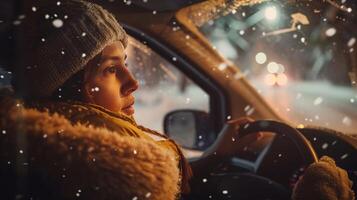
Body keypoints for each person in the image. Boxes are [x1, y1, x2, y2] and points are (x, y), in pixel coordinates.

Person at [0, 0, 354, 200]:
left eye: (125, 64)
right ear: (66, 87)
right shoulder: (102, 176)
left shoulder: (78, 163)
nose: (133, 82)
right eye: (110, 69)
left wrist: (215, 156)